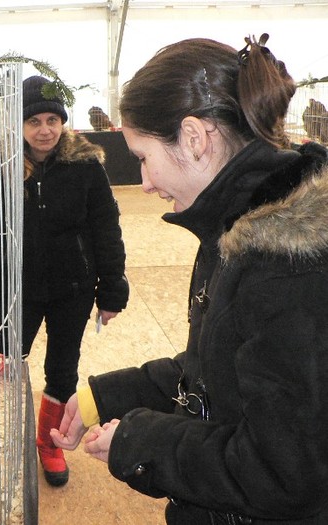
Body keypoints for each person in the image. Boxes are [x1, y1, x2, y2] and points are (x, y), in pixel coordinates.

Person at [51, 34, 328, 524]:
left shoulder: (287, 267)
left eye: (142, 156)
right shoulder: (244, 224)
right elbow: (220, 367)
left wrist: (139, 442)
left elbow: (281, 472)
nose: (145, 183)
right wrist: (108, 396)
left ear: (195, 138)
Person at [0, 75, 129, 487]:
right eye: (34, 121)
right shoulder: (1, 170)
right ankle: (6, 437)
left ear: (63, 122)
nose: (45, 130)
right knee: (5, 361)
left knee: (62, 368)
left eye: (53, 120)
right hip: (18, 290)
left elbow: (106, 228)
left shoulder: (86, 167)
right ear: (19, 126)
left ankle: (49, 442)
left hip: (72, 289)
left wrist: (111, 289)